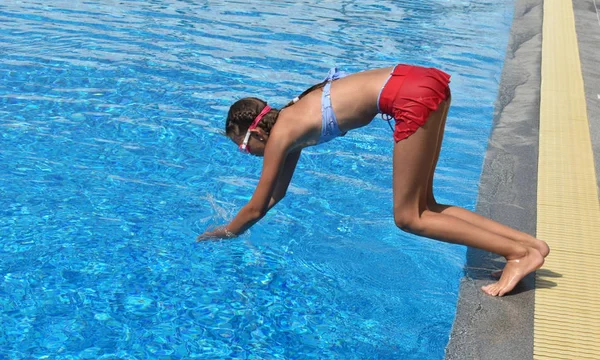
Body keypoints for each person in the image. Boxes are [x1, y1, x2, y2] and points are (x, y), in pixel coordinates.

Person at [197, 64, 550, 297]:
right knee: (426, 205)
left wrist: (225, 232)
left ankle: (516, 254)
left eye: (243, 147)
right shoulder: (290, 124)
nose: (249, 154)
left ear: (255, 131)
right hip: (421, 81)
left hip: (410, 96)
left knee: (408, 218)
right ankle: (529, 246)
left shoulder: (280, 135)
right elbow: (276, 195)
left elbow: (258, 204)